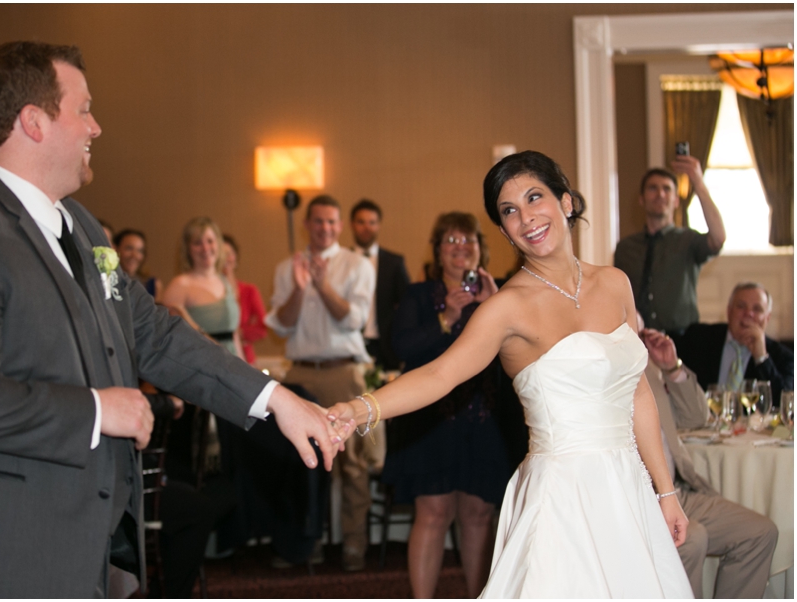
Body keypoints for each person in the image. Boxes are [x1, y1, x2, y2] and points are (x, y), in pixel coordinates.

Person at [0, 41, 342, 599]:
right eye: (83, 109)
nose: (97, 127)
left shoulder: (81, 226)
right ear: (34, 123)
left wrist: (275, 400)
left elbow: (155, 333)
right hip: (4, 552)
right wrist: (95, 408)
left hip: (93, 546)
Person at [328, 150, 693, 597]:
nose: (526, 218)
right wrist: (358, 408)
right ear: (504, 231)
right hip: (561, 497)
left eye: (535, 197)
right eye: (510, 211)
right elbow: (440, 374)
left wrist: (665, 491)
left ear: (567, 202)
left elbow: (637, 392)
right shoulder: (506, 307)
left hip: (627, 489)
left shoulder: (616, 282)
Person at [384, 211, 526, 598]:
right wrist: (447, 316)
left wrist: (494, 303)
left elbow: (520, 356)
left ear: (481, 250)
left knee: (478, 515)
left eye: (469, 241)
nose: (461, 248)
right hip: (431, 422)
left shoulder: (499, 298)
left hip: (484, 421)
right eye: (451, 241)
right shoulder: (418, 295)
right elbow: (402, 348)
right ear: (437, 251)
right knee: (433, 513)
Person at [265, 194, 376, 571]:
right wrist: (300, 288)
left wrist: (323, 286)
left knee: (353, 465)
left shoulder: (358, 265)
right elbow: (281, 323)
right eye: (317, 222)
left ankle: (355, 546)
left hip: (344, 372)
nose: (324, 228)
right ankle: (304, 543)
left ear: (339, 226)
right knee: (301, 462)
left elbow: (354, 321)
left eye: (331, 222)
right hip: (299, 371)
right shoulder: (287, 267)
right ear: (307, 224)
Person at [640, 318, 778, 598]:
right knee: (693, 539)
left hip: (680, 492)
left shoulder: (650, 366)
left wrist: (672, 367)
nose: (642, 337)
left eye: (642, 331)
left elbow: (696, 418)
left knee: (760, 533)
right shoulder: (605, 375)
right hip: (640, 499)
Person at [614, 158, 726, 334]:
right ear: (641, 199)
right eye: (653, 188)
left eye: (667, 189)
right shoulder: (625, 248)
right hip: (637, 339)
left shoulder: (689, 240)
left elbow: (718, 239)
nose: (660, 194)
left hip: (684, 339)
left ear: (675, 201)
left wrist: (698, 182)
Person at [676, 282, 794, 403]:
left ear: (767, 318)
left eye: (757, 309)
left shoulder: (783, 357)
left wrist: (761, 359)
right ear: (729, 311)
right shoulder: (699, 337)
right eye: (741, 306)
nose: (748, 314)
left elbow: (784, 403)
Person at [164, 218, 243, 359]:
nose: (205, 248)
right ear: (187, 248)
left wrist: (245, 369)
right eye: (197, 243)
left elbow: (234, 336)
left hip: (232, 365)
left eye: (210, 241)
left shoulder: (225, 282)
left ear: (218, 243)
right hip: (199, 365)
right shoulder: (179, 285)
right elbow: (171, 339)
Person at [349, 199, 411, 371]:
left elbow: (407, 305)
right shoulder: (341, 262)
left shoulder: (394, 263)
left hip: (386, 347)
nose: (366, 227)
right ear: (352, 224)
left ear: (379, 225)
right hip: (350, 345)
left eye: (372, 222)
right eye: (361, 222)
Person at [221, 234, 267, 366]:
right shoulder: (208, 294)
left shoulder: (249, 290)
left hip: (246, 359)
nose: (226, 259)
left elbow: (262, 327)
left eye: (229, 253)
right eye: (221, 254)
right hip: (217, 357)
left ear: (235, 257)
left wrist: (238, 334)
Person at [113, 228, 164, 301]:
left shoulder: (154, 286)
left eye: (140, 251)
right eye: (129, 248)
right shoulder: (106, 282)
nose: (134, 255)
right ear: (115, 249)